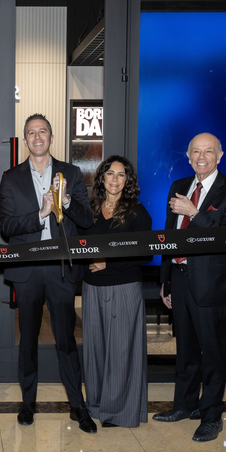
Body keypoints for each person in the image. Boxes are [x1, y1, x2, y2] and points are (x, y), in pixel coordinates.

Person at [0, 114, 96, 433]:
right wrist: (40, 214)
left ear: (51, 137)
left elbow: (87, 220)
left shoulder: (72, 173)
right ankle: (28, 403)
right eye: (31, 133)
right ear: (25, 140)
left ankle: (77, 406)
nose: (37, 137)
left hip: (61, 269)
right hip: (27, 269)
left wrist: (65, 201)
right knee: (27, 340)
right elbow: (6, 226)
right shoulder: (10, 178)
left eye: (42, 131)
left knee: (66, 339)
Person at [156, 132, 226, 442]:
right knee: (185, 350)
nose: (202, 157)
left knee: (212, 354)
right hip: (179, 278)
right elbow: (169, 235)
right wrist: (166, 279)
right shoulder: (179, 185)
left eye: (209, 151)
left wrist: (193, 213)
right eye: (196, 151)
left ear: (220, 156)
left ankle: (211, 416)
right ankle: (184, 405)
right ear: (188, 156)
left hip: (212, 282)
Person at [82, 156, 152, 428]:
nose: (114, 179)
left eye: (121, 175)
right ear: (102, 178)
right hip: (92, 288)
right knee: (95, 350)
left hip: (124, 287)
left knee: (121, 351)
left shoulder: (137, 212)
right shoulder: (89, 209)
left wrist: (108, 262)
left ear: (128, 181)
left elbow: (145, 254)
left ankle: (119, 412)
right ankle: (97, 405)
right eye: (110, 173)